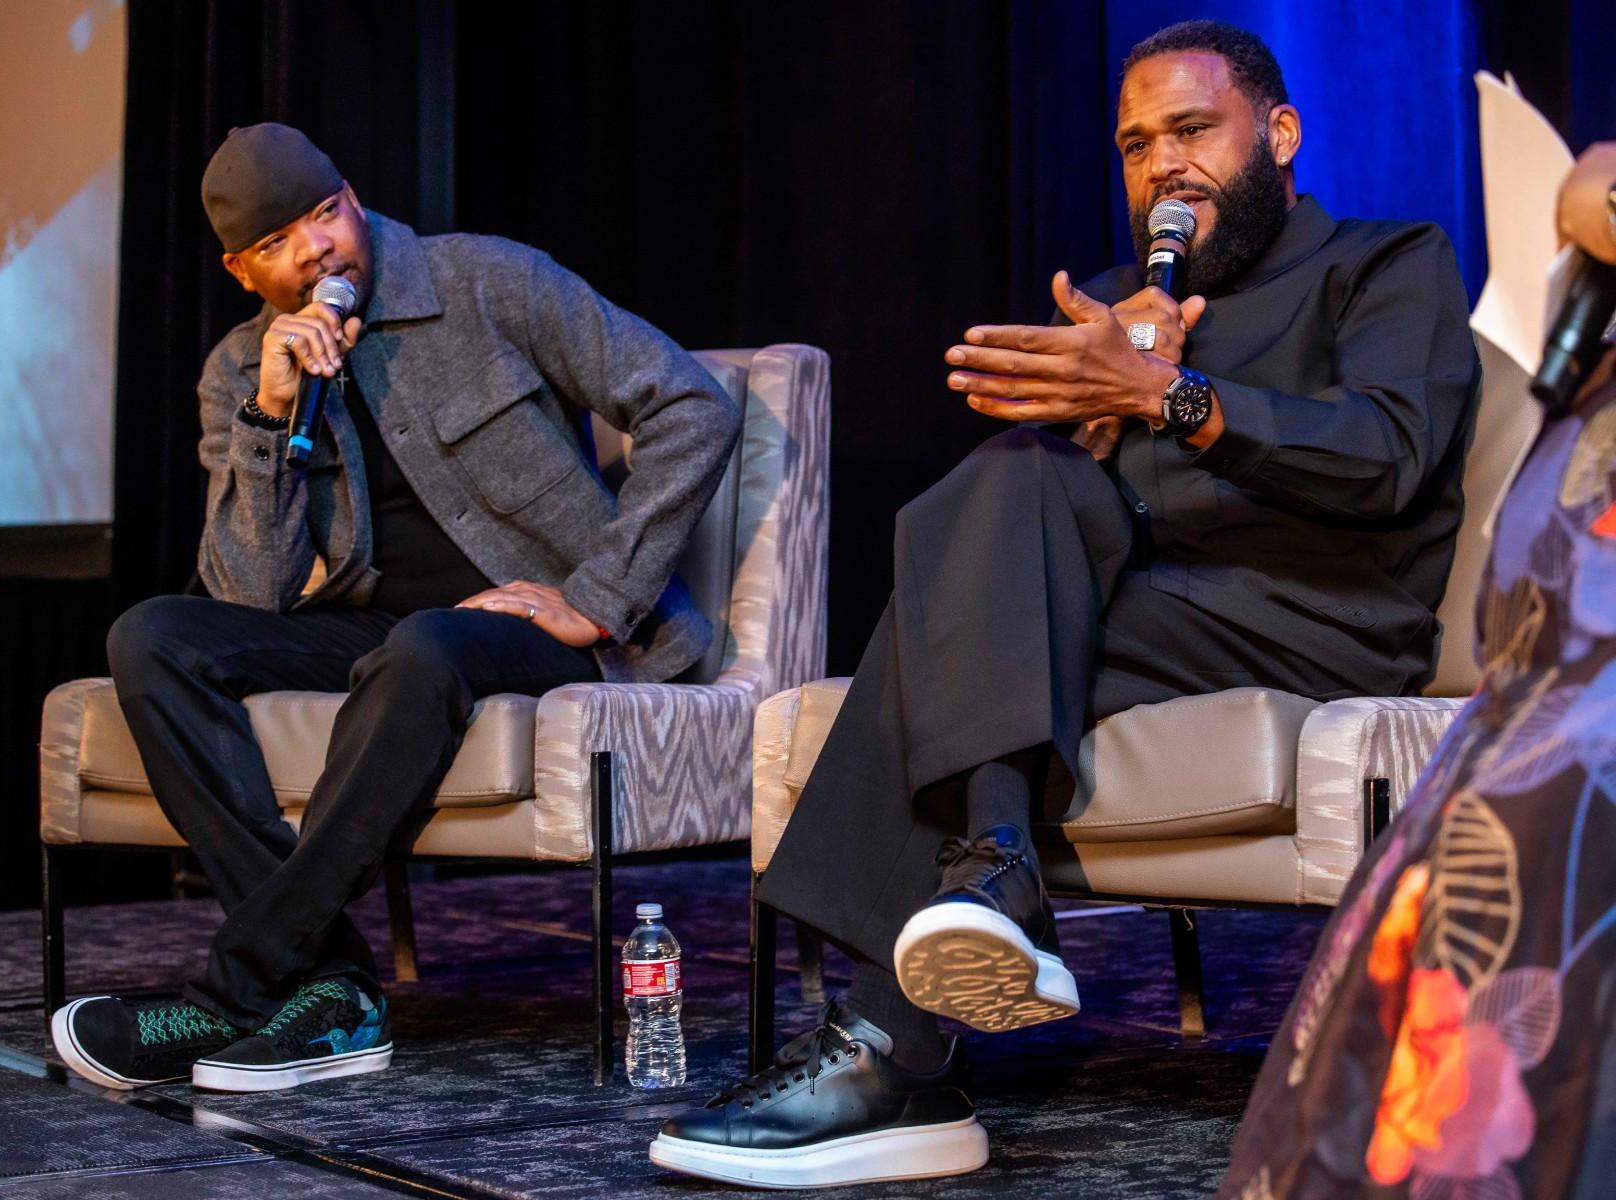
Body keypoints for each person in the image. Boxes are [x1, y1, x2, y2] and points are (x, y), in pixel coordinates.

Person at [651, 20, 1481, 1189]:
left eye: (1193, 130)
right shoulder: (1110, 307)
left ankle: (898, 1045)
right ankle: (975, 904)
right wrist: (1088, 421)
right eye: (1137, 146)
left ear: (1280, 134)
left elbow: (1388, 455)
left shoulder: (1388, 262)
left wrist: (1173, 397)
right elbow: (1053, 526)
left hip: (1324, 611)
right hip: (1154, 606)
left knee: (956, 609)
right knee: (1005, 490)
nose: (1163, 167)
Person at [50, 123, 740, 1094]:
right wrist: (268, 411)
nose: (316, 251)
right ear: (242, 270)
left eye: (325, 216)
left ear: (355, 203)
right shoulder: (235, 370)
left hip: (539, 633)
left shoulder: (486, 282)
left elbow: (691, 405)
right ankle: (330, 986)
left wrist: (598, 597)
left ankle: (236, 988)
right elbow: (253, 592)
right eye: (281, 243)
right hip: (383, 630)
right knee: (153, 636)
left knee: (424, 648)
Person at [1216, 141, 1616, 1200]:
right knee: (1495, 792)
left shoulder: (1386, 262)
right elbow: (1595, 187)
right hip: (1558, 651)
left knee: (1558, 786)